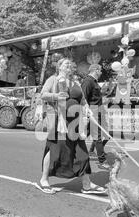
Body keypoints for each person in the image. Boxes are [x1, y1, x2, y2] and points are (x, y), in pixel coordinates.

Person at [39, 58, 106, 195]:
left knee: (81, 152)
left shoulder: (76, 82)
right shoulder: (53, 79)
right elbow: (43, 94)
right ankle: (44, 180)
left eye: (70, 64)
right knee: (54, 149)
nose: (69, 65)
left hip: (75, 122)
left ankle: (87, 184)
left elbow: (82, 99)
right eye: (65, 64)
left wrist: (86, 108)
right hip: (60, 121)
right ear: (59, 67)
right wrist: (57, 96)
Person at [81, 64, 110, 169]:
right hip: (93, 112)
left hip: (99, 111)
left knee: (106, 134)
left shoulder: (94, 82)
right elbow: (83, 97)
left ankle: (91, 150)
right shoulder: (88, 81)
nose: (101, 72)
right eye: (100, 70)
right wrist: (87, 113)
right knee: (97, 136)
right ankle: (102, 160)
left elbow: (95, 96)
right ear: (96, 70)